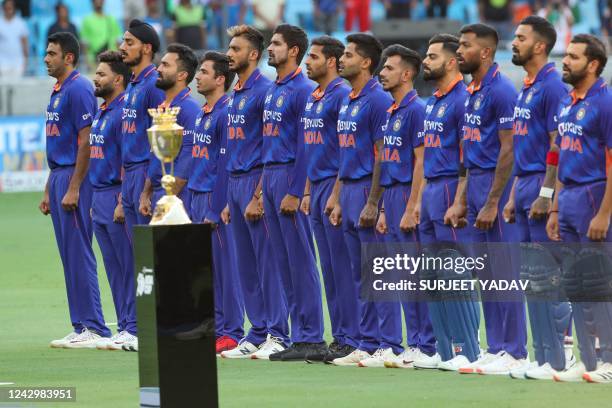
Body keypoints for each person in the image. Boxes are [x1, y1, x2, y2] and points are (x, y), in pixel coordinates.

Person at [449, 23, 529, 375]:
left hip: (496, 185)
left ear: (484, 52)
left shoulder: (501, 91)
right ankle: (496, 347)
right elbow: (469, 151)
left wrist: (495, 201)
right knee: (486, 273)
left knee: (505, 271)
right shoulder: (472, 91)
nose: (458, 52)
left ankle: (514, 350)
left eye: (464, 46)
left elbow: (509, 150)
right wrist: (464, 197)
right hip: (477, 183)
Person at [503, 15, 574, 380]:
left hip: (544, 186)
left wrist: (549, 195)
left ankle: (562, 352)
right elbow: (522, 149)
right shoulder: (526, 88)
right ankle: (542, 355)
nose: (513, 43)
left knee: (548, 275)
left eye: (520, 38)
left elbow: (556, 146)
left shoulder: (552, 88)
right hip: (526, 183)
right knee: (530, 275)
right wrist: (514, 195)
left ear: (540, 45)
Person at [547, 34, 612, 384]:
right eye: (566, 55)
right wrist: (555, 208)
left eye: (573, 57)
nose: (565, 61)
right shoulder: (568, 102)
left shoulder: (606, 103)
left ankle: (610, 361)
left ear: (593, 64)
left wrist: (604, 213)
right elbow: (561, 156)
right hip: (569, 197)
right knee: (576, 284)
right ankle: (588, 361)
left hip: (593, 196)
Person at [260, 24, 326, 362]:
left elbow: (304, 147)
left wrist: (296, 189)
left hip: (288, 175)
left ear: (294, 51)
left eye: (276, 44)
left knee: (301, 259)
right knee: (282, 261)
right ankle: (297, 335)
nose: (270, 49)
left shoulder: (301, 90)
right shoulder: (274, 88)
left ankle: (312, 335)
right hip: (270, 175)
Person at [328, 33, 394, 367]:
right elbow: (345, 152)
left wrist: (375, 202)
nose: (342, 59)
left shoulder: (378, 100)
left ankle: (388, 342)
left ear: (366, 62)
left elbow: (383, 153)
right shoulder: (348, 99)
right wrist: (338, 198)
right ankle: (367, 342)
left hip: (369, 188)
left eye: (349, 55)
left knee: (377, 271)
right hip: (350, 189)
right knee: (359, 273)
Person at [42, 32, 111, 348]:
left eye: (52, 53)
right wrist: (49, 187)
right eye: (45, 53)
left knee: (79, 251)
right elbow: (59, 141)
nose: (46, 58)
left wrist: (74, 187)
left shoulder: (80, 88)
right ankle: (80, 324)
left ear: (68, 57)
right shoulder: (58, 91)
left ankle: (95, 326)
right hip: (60, 175)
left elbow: (86, 140)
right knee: (68, 254)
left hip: (75, 178)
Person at [416, 33, 481, 371]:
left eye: (432, 56)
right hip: (430, 191)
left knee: (455, 274)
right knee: (431, 276)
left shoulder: (462, 100)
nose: (425, 61)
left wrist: (460, 198)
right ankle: (444, 350)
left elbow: (467, 156)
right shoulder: (436, 100)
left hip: (449, 191)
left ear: (452, 61)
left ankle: (469, 349)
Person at [371, 44, 437, 369]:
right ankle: (414, 343)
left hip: (408, 196)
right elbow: (387, 162)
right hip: (392, 196)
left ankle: (428, 343)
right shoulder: (390, 112)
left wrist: (413, 206)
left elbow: (421, 162)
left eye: (389, 67)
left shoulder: (417, 110)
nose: (382, 72)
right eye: (382, 67)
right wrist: (384, 209)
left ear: (407, 74)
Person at [220, 25, 283, 359]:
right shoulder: (236, 93)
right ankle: (257, 331)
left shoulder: (265, 92)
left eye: (236, 49)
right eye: (229, 49)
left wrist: (258, 194)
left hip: (255, 182)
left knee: (266, 262)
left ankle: (278, 331)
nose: (229, 54)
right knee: (245, 264)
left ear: (254, 55)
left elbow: (269, 145)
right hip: (235, 181)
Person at [300, 36, 357, 363]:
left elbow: (344, 149)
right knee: (330, 269)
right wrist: (308, 190)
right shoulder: (313, 97)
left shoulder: (340, 96)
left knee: (342, 267)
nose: (308, 62)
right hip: (317, 185)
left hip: (336, 186)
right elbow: (313, 146)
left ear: (332, 62)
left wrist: (334, 194)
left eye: (315, 57)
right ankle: (340, 336)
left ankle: (352, 336)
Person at [188, 51, 245, 355]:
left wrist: (217, 203)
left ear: (220, 79)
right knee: (206, 270)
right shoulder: (202, 112)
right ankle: (215, 325)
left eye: (204, 72)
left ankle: (232, 331)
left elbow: (226, 162)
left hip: (213, 196)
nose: (198, 76)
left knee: (225, 268)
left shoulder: (225, 113)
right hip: (196, 194)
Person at [87, 51, 138, 352]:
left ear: (118, 79)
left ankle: (134, 326)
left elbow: (124, 156)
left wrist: (121, 199)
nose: (96, 78)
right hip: (99, 195)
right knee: (113, 267)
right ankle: (123, 324)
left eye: (102, 74)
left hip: (117, 193)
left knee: (127, 264)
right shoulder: (102, 111)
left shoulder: (122, 113)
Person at [139, 43, 200, 218]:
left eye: (166, 65)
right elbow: (156, 158)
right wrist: (146, 193)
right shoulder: (162, 109)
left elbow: (186, 162)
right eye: (160, 64)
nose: (158, 69)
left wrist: (167, 201)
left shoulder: (189, 109)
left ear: (182, 75)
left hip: (178, 197)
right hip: (159, 194)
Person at [119, 19, 164, 243]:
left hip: (145, 173)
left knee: (149, 254)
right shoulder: (133, 84)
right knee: (136, 254)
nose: (122, 47)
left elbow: (161, 139)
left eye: (129, 42)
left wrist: (148, 187)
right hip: (130, 174)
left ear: (146, 48)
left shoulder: (154, 85)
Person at [80, 0, 122, 70]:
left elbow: (118, 41)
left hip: (112, 61)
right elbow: (84, 43)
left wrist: (120, 61)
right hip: (95, 62)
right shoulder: (87, 20)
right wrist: (88, 63)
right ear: (92, 2)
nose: (98, 2)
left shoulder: (112, 19)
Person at [0, 0, 28, 77]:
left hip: (18, 62)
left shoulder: (20, 23)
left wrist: (25, 60)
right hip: (2, 62)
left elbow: (25, 42)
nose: (9, 9)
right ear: (3, 8)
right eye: (7, 7)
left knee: (17, 87)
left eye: (10, 7)